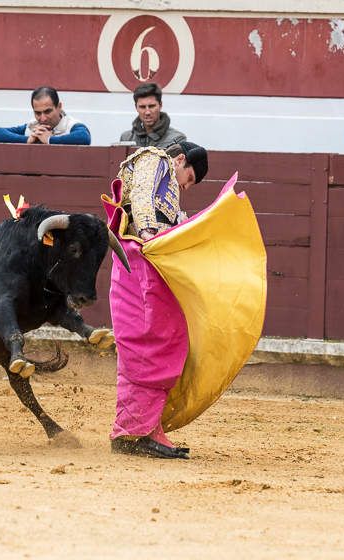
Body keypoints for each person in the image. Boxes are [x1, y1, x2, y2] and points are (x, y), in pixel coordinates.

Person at [104, 142, 208, 459]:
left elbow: (171, 220)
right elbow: (143, 195)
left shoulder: (170, 191)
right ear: (179, 159)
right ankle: (132, 433)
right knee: (150, 340)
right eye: (186, 178)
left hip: (143, 263)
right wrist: (149, 235)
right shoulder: (155, 158)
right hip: (140, 260)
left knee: (162, 339)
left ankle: (146, 428)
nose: (183, 187)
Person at [0, 86, 90, 145]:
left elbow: (83, 137)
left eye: (47, 111)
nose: (43, 118)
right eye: (37, 113)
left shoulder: (72, 125)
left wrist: (49, 139)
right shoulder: (31, 126)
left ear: (59, 107)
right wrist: (27, 139)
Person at [119, 82, 187, 148]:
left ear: (160, 105)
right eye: (142, 107)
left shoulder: (176, 139)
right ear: (136, 107)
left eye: (151, 106)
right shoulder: (126, 138)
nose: (147, 112)